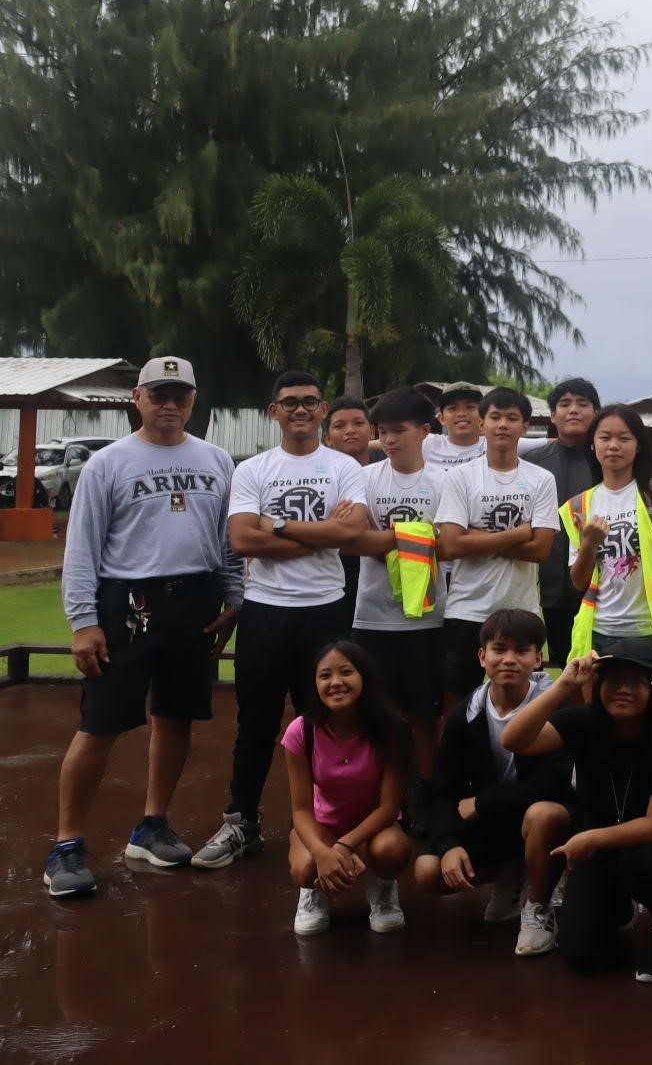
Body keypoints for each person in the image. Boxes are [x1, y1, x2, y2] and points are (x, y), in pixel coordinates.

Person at [47, 357, 242, 898]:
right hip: (129, 603)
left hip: (195, 601)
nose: (170, 404)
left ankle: (152, 825)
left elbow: (226, 540)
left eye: (180, 394)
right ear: (137, 397)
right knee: (101, 723)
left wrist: (234, 597)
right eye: (159, 393)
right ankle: (66, 845)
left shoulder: (217, 459)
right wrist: (84, 622)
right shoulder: (107, 463)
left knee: (177, 716)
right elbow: (82, 547)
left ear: (193, 400)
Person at [197, 371, 370, 871]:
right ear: (273, 411)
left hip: (326, 607)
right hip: (266, 610)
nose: (299, 410)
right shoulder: (252, 469)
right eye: (289, 402)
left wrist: (276, 523)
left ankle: (332, 823)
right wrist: (322, 532)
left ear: (322, 410)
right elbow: (242, 541)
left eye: (309, 402)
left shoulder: (344, 466)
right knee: (256, 720)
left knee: (329, 719)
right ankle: (242, 821)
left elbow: (352, 531)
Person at [503, 651, 652, 981]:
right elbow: (515, 739)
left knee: (644, 863)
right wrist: (563, 684)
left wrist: (591, 838)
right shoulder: (582, 721)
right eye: (615, 680)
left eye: (638, 682)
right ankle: (617, 904)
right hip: (599, 845)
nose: (625, 689)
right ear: (599, 683)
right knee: (581, 955)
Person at [414, 609, 573, 957]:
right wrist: (448, 843)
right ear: (482, 656)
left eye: (522, 650)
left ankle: (538, 906)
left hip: (545, 823)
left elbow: (553, 782)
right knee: (427, 869)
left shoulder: (556, 708)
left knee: (543, 815)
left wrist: (484, 803)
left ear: (538, 657)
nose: (510, 660)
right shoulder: (465, 715)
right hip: (493, 826)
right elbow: (442, 790)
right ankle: (511, 873)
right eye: (499, 649)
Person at [343, 387, 449, 782]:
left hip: (428, 619)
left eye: (398, 430)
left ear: (424, 431)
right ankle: (381, 797)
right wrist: (419, 537)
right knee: (373, 716)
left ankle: (424, 794)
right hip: (372, 618)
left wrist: (381, 535)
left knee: (425, 716)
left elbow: (450, 547)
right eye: (382, 431)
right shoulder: (363, 478)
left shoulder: (447, 481)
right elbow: (354, 543)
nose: (388, 440)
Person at [433, 387, 561, 704]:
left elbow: (541, 550)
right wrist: (518, 534)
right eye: (495, 417)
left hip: (521, 610)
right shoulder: (460, 477)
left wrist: (476, 538)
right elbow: (450, 545)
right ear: (481, 424)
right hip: (466, 607)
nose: (502, 424)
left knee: (521, 701)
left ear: (525, 426)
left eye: (511, 418)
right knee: (457, 702)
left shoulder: (542, 479)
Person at [283, 641, 412, 937]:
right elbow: (301, 809)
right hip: (323, 825)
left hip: (373, 829)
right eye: (325, 675)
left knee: (391, 850)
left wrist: (344, 846)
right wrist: (321, 852)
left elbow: (390, 807)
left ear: (364, 677)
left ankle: (382, 888)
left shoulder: (391, 728)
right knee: (304, 867)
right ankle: (312, 893)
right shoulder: (301, 731)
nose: (336, 682)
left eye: (345, 672)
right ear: (314, 683)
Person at [561, 405, 652, 670]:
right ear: (593, 445)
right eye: (605, 437)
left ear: (638, 445)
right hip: (598, 629)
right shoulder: (579, 506)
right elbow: (578, 581)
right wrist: (589, 544)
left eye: (624, 438)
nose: (613, 445)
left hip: (648, 630)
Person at [527, 378, 604, 664]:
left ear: (596, 413)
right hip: (546, 588)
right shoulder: (533, 462)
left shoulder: (607, 460)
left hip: (600, 586)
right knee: (565, 664)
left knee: (601, 665)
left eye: (583, 404)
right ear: (552, 415)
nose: (574, 410)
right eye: (565, 404)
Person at [422, 383, 487, 471]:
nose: (461, 414)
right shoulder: (426, 444)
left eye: (470, 407)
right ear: (442, 419)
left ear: (483, 415)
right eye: (452, 408)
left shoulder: (494, 445)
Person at [323, 398, 374, 464]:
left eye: (358, 423)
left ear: (372, 431)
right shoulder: (318, 472)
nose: (350, 430)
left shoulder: (389, 465)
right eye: (339, 426)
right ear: (328, 438)